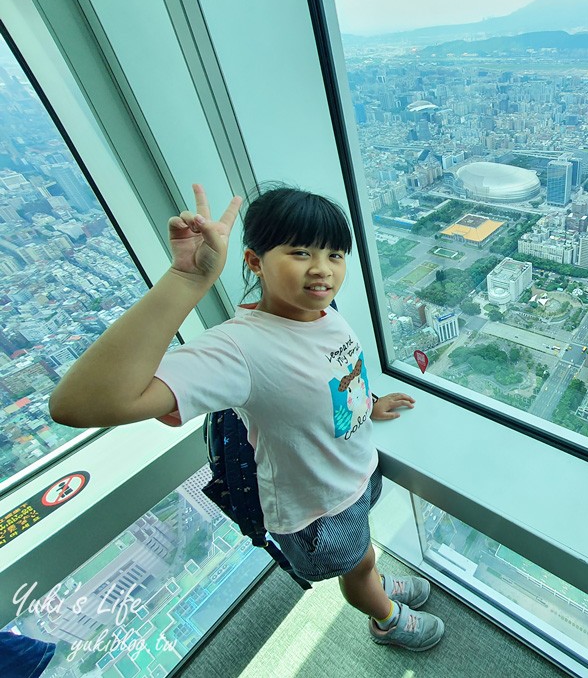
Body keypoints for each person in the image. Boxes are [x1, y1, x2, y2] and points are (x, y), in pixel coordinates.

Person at [49, 184, 445, 652]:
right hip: (317, 509)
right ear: (255, 261)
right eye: (300, 252)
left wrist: (367, 404)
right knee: (355, 566)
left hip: (356, 477)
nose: (323, 269)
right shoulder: (240, 349)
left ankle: (371, 577)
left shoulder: (322, 312)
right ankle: (385, 618)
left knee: (362, 555)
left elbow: (328, 378)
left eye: (335, 254)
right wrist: (187, 280)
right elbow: (79, 404)